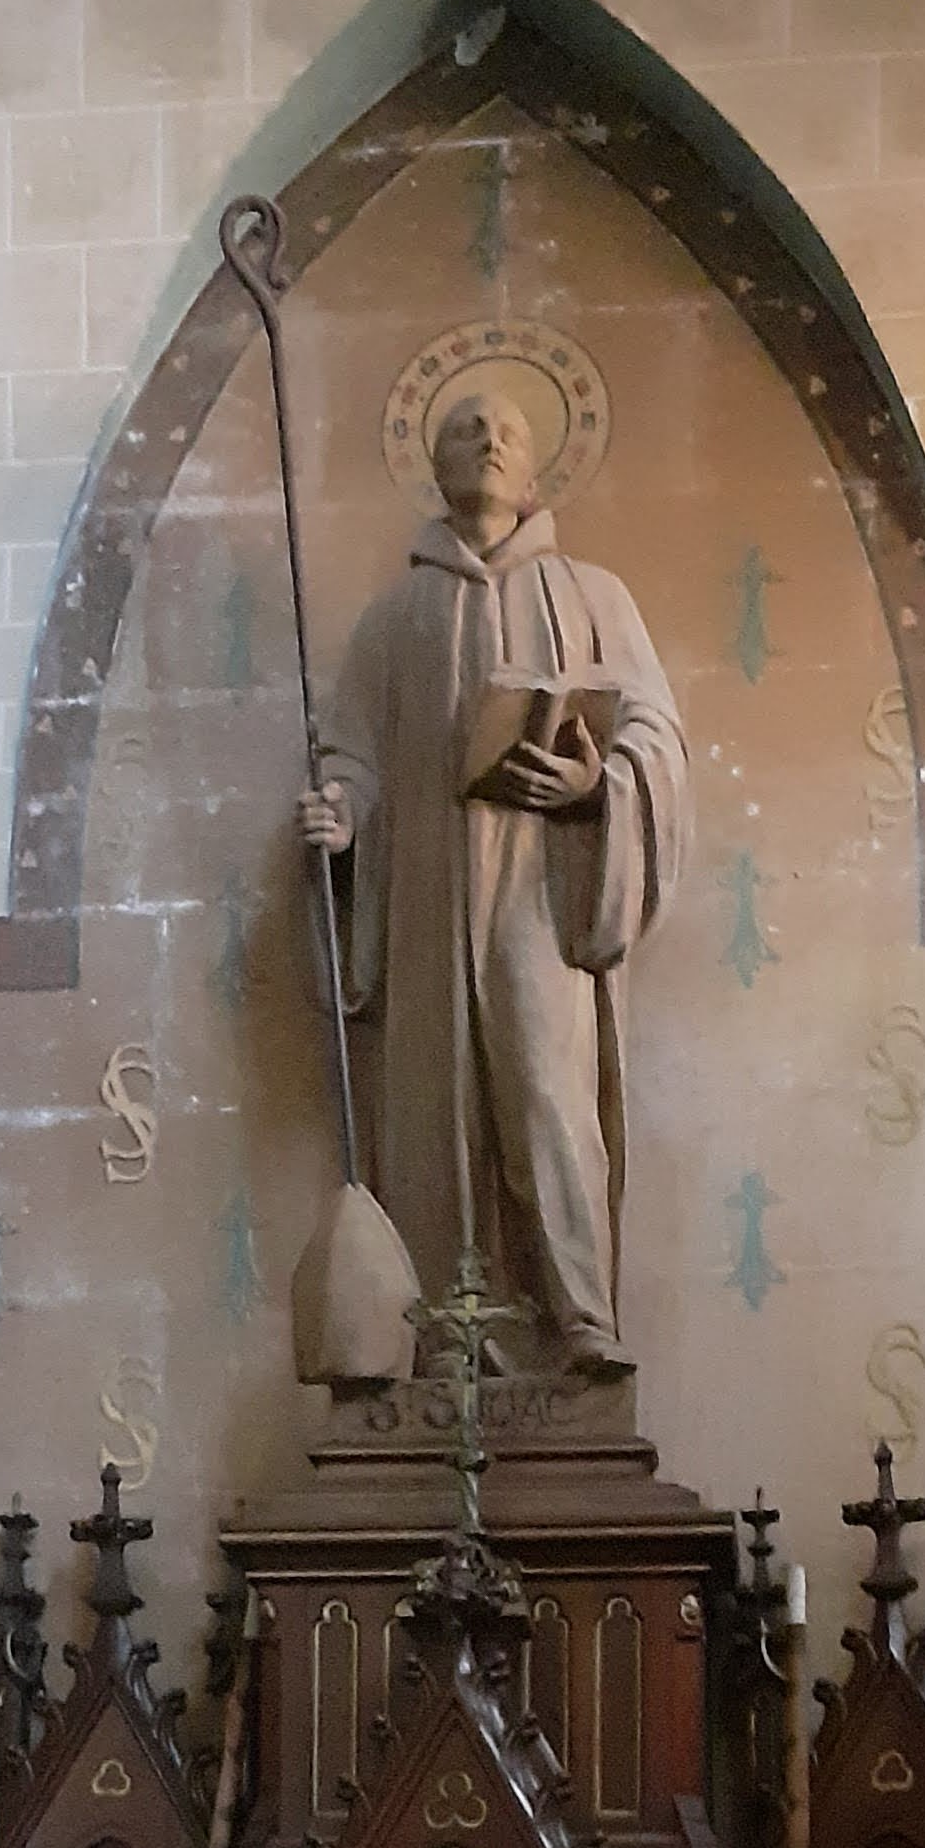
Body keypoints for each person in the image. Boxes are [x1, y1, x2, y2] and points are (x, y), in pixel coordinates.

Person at [299, 386, 688, 1375]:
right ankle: (446, 1339)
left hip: (540, 898)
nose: (489, 439)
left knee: (547, 1093)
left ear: (536, 474)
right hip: (427, 897)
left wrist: (596, 785)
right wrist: (340, 815)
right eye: (467, 428)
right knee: (435, 1113)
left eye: (510, 430)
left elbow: (653, 732)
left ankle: (579, 1318)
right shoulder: (394, 618)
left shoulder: (594, 597)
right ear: (436, 466)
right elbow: (352, 753)